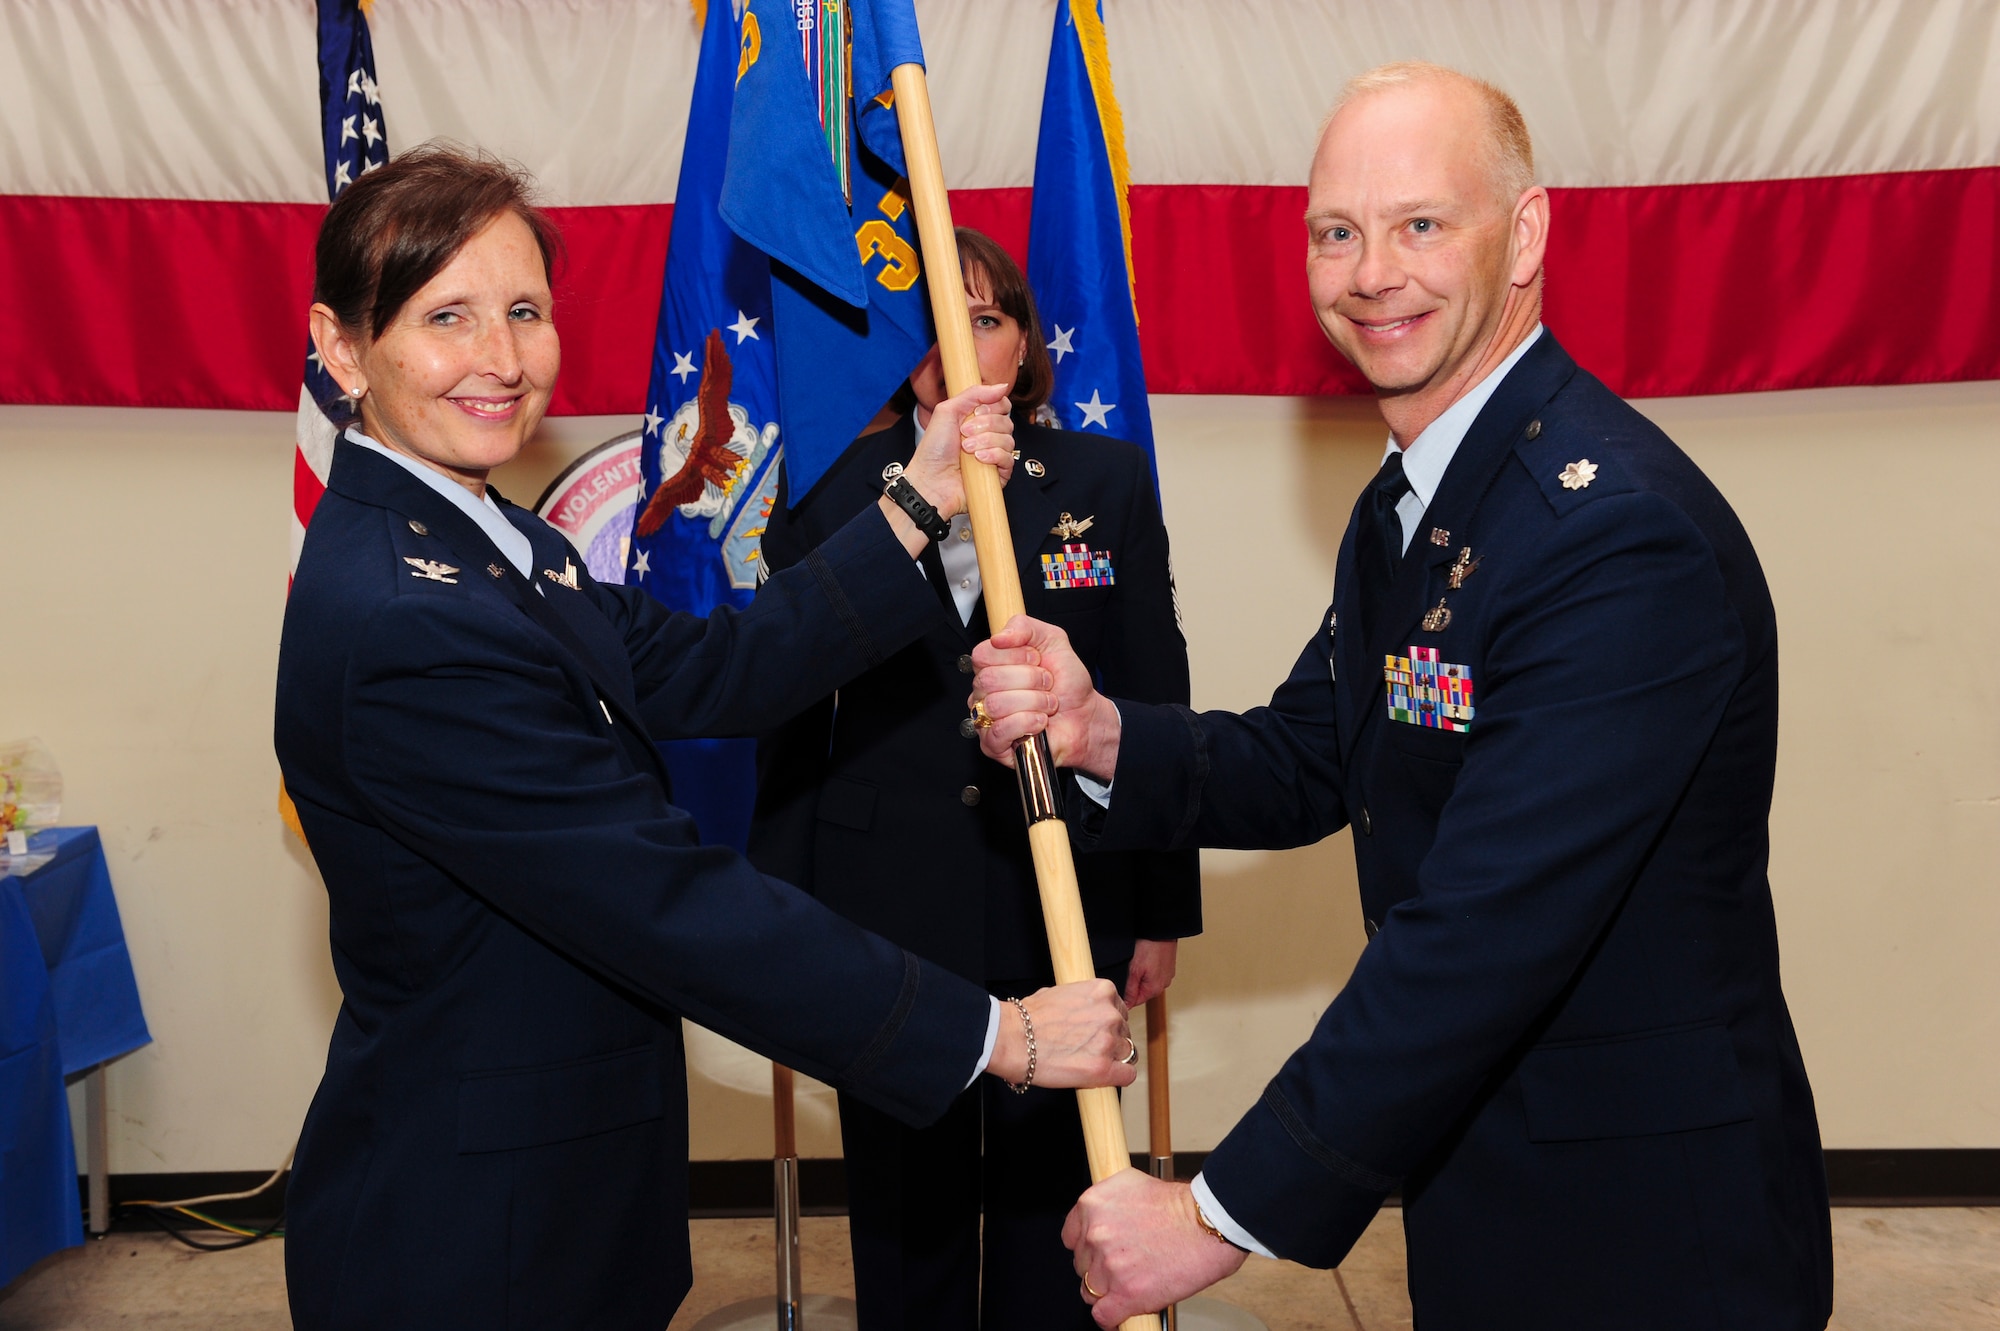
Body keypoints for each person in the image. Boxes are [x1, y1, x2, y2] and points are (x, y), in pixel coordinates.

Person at [971, 64, 1832, 1330]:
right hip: (1483, 1171)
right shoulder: (1420, 498)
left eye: (1421, 223)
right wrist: (1100, 730)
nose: (1373, 272)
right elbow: (1315, 750)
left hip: (1644, 1222)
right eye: (1337, 231)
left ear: (1525, 234)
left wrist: (1216, 1214)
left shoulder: (1610, 539)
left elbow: (1481, 930)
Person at [274, 147, 1136, 1331]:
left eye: (524, 310)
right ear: (338, 346)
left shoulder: (488, 538)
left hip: (561, 1182)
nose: (501, 357)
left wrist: (918, 499)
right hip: (478, 1230)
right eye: (446, 317)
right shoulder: (410, 615)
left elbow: (716, 666)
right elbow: (663, 901)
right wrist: (994, 1031)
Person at [749, 228, 1200, 1330]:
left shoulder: (1104, 480)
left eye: (986, 318)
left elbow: (1152, 700)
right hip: (882, 907)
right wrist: (779, 917)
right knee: (909, 1217)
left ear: (1021, 346)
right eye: (938, 324)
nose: (962, 343)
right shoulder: (831, 495)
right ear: (909, 355)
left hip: (1063, 898)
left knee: (1061, 1204)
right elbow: (788, 721)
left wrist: (1157, 907)